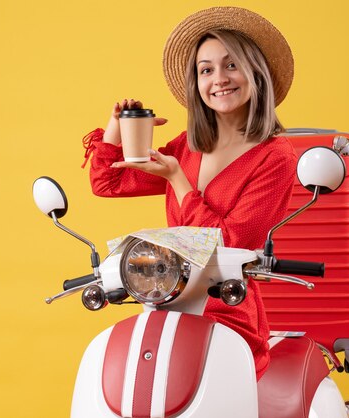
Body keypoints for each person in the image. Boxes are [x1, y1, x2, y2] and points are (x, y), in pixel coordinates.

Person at [82, 6, 296, 380]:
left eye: (232, 65)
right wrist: (117, 128)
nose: (219, 79)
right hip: (167, 307)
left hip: (228, 314)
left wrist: (178, 180)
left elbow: (230, 243)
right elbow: (108, 183)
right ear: (196, 83)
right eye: (206, 69)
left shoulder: (275, 156)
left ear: (255, 72)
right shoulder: (187, 147)